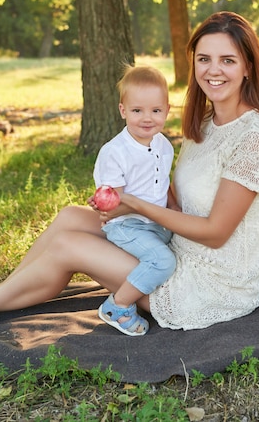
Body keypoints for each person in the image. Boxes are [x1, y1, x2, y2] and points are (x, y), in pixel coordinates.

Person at [0, 11, 259, 334]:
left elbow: (215, 234)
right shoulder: (207, 123)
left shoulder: (256, 140)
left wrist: (132, 204)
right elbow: (175, 194)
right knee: (71, 217)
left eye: (227, 60)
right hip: (177, 244)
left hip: (213, 283)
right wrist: (129, 203)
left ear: (248, 67)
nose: (213, 70)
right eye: (204, 59)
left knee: (69, 245)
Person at [93, 65, 176, 336]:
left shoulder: (164, 145)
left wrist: (174, 208)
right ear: (123, 111)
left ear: (167, 110)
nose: (147, 118)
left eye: (156, 110)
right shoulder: (115, 152)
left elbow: (163, 180)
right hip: (126, 225)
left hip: (156, 223)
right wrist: (106, 203)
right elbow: (114, 203)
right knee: (163, 262)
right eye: (137, 110)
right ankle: (118, 305)